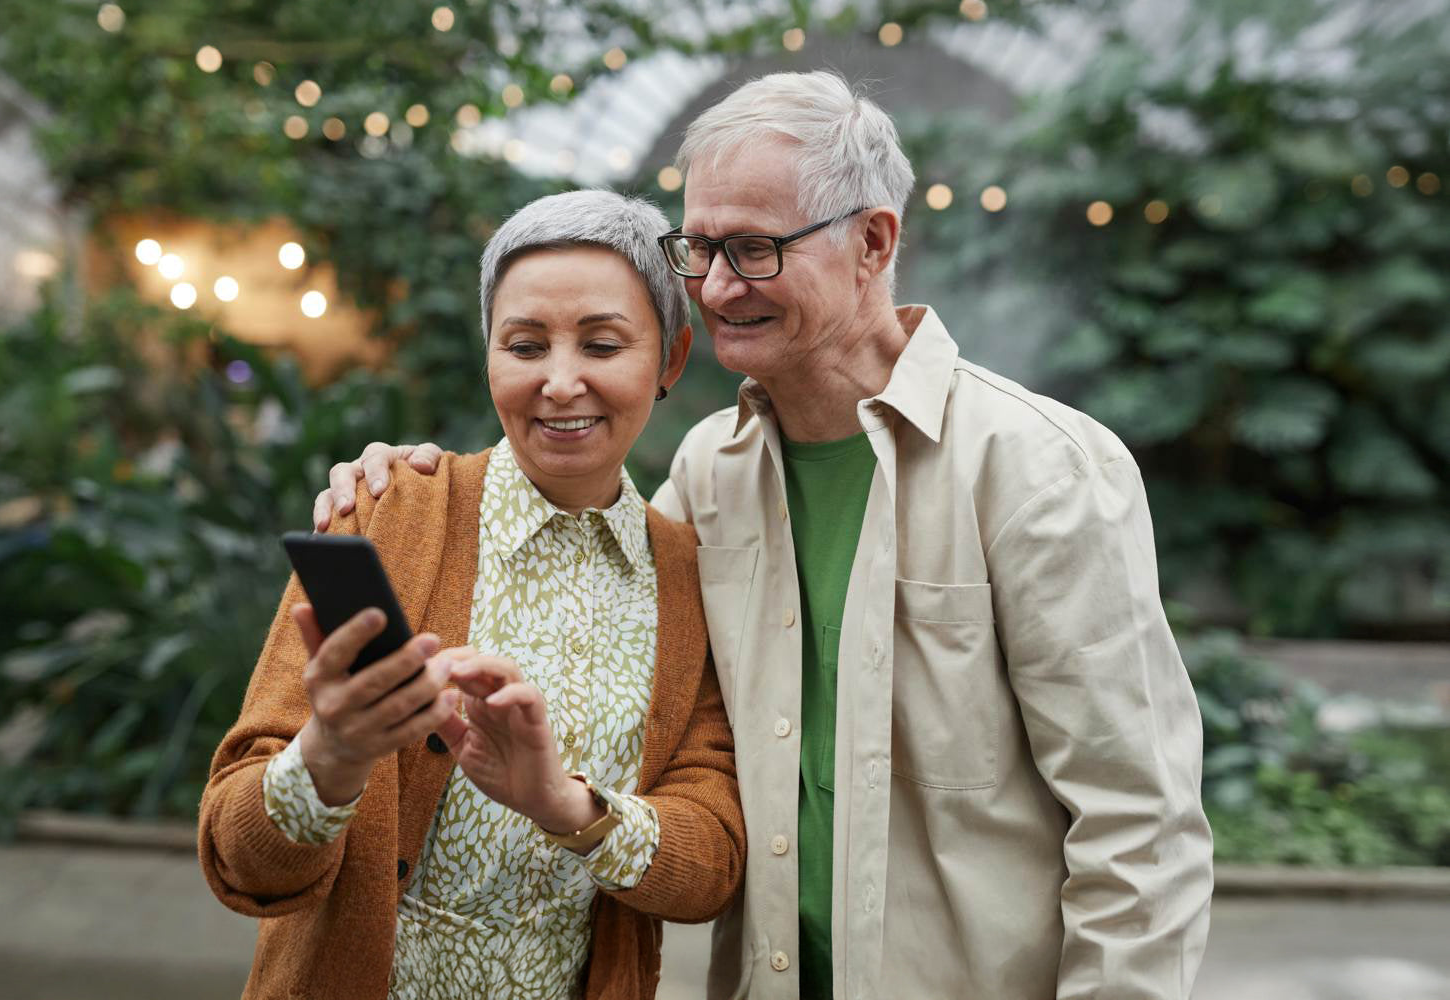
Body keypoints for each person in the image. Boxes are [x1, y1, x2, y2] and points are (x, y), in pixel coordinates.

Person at [317, 72, 1213, 999]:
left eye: (753, 248)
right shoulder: (709, 474)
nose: (714, 286)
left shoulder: (1039, 468)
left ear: (873, 243)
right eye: (699, 249)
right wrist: (420, 482)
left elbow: (1139, 830)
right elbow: (578, 541)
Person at [199, 189, 744, 1000]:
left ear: (670, 359)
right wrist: (330, 757)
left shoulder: (687, 576)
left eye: (602, 344)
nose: (561, 382)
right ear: (489, 353)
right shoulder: (390, 514)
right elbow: (237, 857)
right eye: (525, 346)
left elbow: (712, 864)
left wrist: (567, 807)